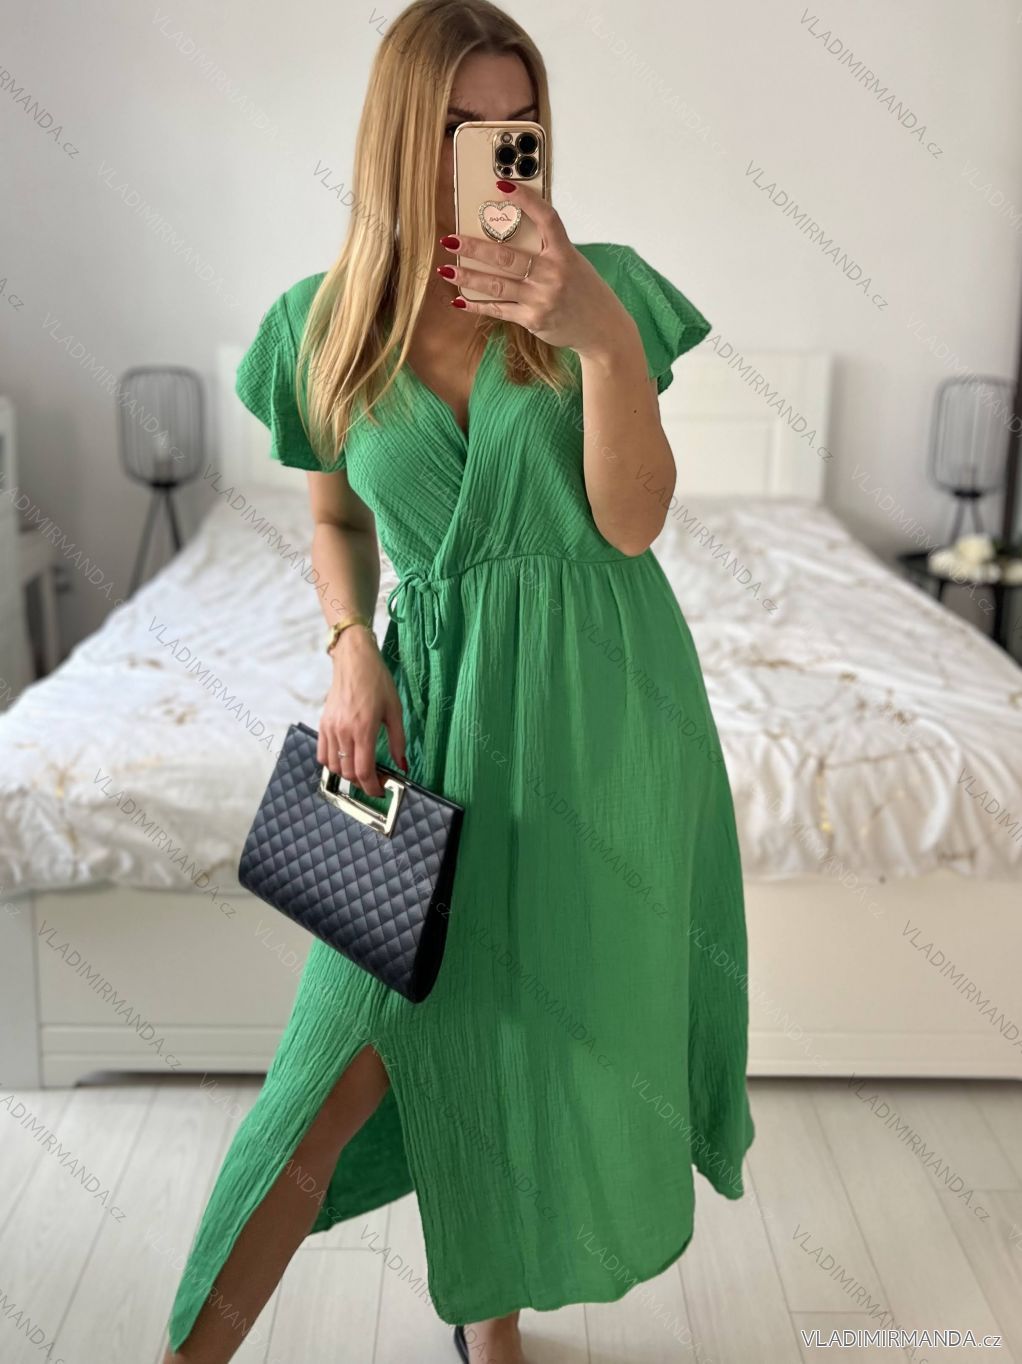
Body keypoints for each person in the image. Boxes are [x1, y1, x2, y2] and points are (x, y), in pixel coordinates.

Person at [162, 1, 754, 1360]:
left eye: (517, 125)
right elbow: (334, 518)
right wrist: (349, 648)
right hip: (430, 722)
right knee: (318, 1085)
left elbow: (630, 526)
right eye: (461, 126)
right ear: (398, 136)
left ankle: (492, 1332)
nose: (498, 154)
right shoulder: (318, 324)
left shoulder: (602, 290)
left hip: (607, 718)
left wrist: (601, 339)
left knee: (531, 1022)